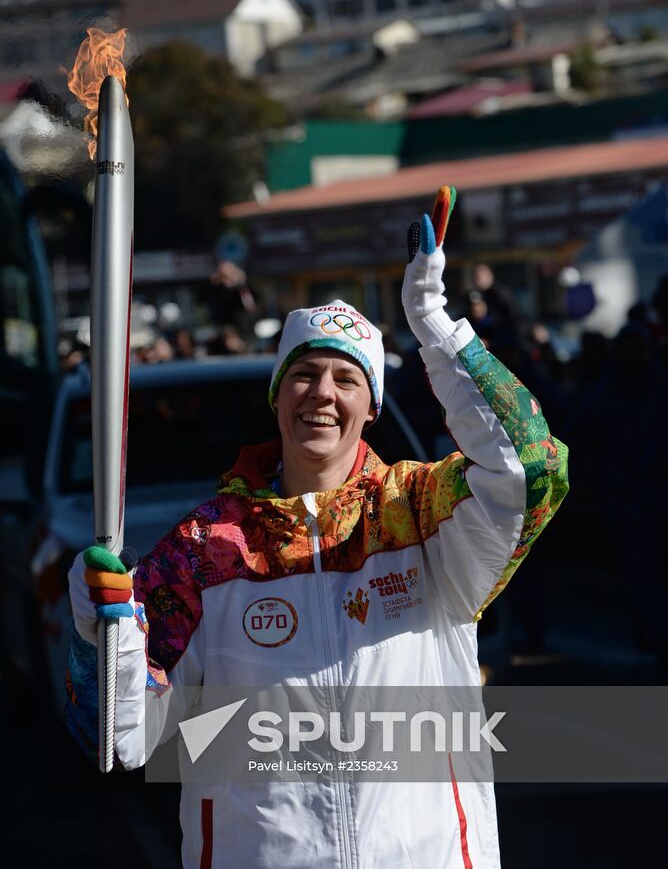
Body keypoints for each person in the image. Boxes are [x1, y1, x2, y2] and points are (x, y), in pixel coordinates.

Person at [66, 192, 569, 868]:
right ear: (278, 396)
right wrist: (106, 630)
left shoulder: (422, 514)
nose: (322, 393)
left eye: (345, 378)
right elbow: (119, 738)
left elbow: (533, 467)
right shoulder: (205, 551)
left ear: (370, 407)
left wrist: (434, 326)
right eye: (303, 374)